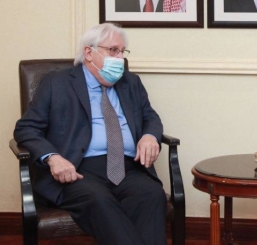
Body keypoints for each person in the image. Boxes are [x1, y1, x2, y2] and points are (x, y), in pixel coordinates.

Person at [14, 23, 166, 245]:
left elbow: (150, 118)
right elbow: (25, 128)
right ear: (89, 52)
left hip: (127, 167)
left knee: (151, 194)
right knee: (98, 199)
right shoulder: (56, 83)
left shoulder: (131, 83)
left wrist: (150, 136)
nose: (119, 57)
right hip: (78, 169)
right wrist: (53, 158)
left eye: (122, 51)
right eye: (113, 50)